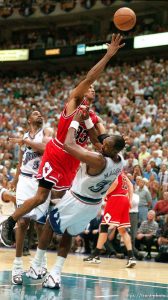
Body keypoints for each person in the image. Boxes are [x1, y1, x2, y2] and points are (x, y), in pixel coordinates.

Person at [0, 33, 125, 247]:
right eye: (90, 87)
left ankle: (50, 244)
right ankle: (8, 222)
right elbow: (90, 77)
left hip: (72, 160)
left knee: (60, 200)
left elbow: (97, 143)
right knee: (41, 196)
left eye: (95, 89)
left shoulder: (92, 118)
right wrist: (108, 55)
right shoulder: (73, 102)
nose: (92, 88)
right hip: (57, 153)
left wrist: (91, 128)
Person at [26, 107, 125, 289]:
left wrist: (75, 120)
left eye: (106, 146)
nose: (102, 145)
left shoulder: (98, 160)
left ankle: (36, 265)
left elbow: (68, 144)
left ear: (110, 150)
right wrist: (87, 121)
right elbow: (97, 140)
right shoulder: (120, 159)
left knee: (49, 224)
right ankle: (56, 274)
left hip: (77, 200)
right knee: (69, 233)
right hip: (93, 206)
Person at [9, 110, 53, 285]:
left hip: (41, 182)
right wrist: (15, 178)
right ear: (29, 120)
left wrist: (25, 141)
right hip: (25, 182)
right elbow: (20, 161)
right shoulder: (25, 136)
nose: (39, 115)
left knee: (41, 225)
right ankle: (17, 265)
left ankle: (42, 264)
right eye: (35, 114)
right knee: (22, 222)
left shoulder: (46, 133)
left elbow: (45, 148)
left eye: (40, 114)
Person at [83, 172, 136, 268]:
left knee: (103, 226)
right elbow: (131, 185)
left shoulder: (114, 171)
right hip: (125, 199)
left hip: (115, 199)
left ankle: (95, 255)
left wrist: (105, 194)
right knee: (122, 230)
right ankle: (131, 257)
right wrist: (130, 200)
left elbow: (115, 183)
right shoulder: (123, 174)